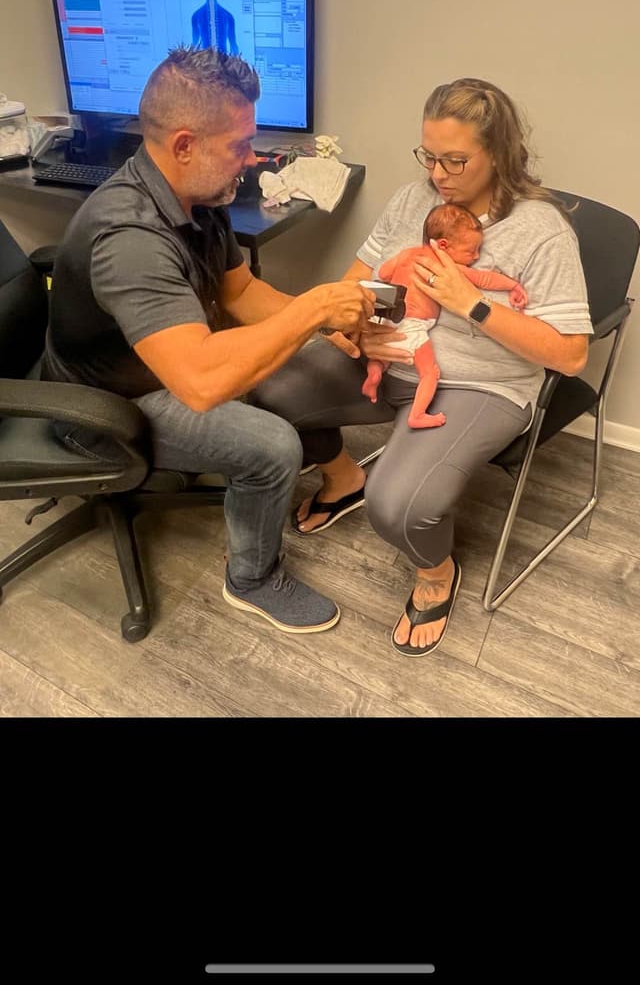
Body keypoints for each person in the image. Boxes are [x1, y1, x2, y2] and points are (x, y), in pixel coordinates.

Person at [251, 78, 593, 656]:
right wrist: (355, 331)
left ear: (500, 153)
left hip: (480, 383)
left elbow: (570, 354)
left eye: (456, 160)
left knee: (399, 507)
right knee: (268, 385)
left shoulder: (541, 231)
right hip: (389, 356)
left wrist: (472, 303)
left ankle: (436, 573)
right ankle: (344, 477)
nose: (438, 175)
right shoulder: (415, 201)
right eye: (429, 157)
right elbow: (354, 284)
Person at [42, 45, 376, 635]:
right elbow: (199, 384)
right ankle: (251, 579)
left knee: (298, 373)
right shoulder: (130, 237)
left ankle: (334, 478)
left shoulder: (197, 197)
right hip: (105, 406)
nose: (251, 160)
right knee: (271, 446)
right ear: (184, 145)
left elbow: (242, 293)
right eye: (239, 146)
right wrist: (312, 310)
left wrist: (325, 322)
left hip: (164, 364)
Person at [362, 202, 528, 428]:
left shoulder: (408, 254)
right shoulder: (444, 264)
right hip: (413, 324)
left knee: (384, 356)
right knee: (430, 372)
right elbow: (484, 279)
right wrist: (513, 285)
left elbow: (383, 272)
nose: (476, 256)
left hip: (388, 318)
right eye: (471, 251)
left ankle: (374, 373)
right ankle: (417, 415)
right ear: (443, 245)